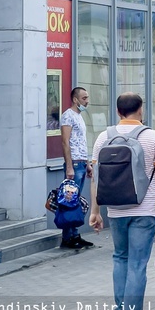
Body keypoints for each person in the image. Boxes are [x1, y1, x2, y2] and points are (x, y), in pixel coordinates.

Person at [89, 93, 155, 310]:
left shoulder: (103, 138)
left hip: (116, 211)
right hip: (144, 211)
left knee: (120, 258)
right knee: (137, 265)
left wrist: (95, 211)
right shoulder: (153, 137)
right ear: (141, 110)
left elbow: (96, 178)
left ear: (118, 112)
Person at [60, 86, 94, 249]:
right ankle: (68, 237)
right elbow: (65, 142)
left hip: (81, 162)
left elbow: (82, 142)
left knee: (76, 201)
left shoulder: (79, 116)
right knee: (70, 201)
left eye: (87, 98)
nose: (87, 101)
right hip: (73, 163)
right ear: (75, 99)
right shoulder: (68, 116)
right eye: (84, 98)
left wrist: (87, 163)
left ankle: (75, 235)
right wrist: (69, 166)